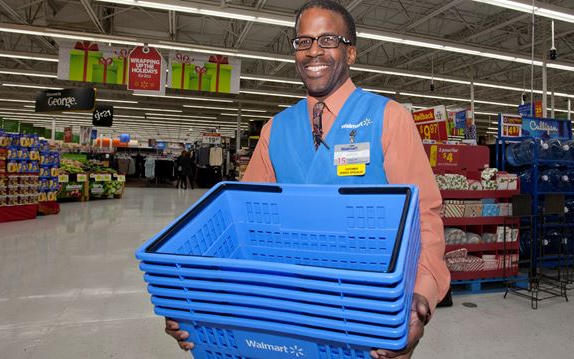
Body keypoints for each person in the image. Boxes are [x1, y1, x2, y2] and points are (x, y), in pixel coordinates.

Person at [164, 1, 450, 358]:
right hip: (288, 309)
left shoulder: (387, 118)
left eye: (328, 39)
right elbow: (242, 220)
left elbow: (423, 214)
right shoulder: (276, 129)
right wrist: (193, 297)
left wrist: (420, 294)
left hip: (363, 308)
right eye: (303, 41)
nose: (314, 50)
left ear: (352, 52)